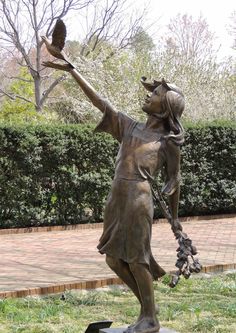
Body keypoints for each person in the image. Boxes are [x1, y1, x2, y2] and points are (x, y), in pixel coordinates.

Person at [42, 61, 185, 333]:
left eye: (155, 94)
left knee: (137, 259)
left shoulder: (167, 142)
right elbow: (101, 102)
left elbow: (173, 182)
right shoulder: (129, 128)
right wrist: (71, 69)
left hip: (138, 200)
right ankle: (148, 311)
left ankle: (150, 318)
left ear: (165, 106)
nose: (148, 95)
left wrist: (175, 219)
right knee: (113, 259)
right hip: (116, 198)